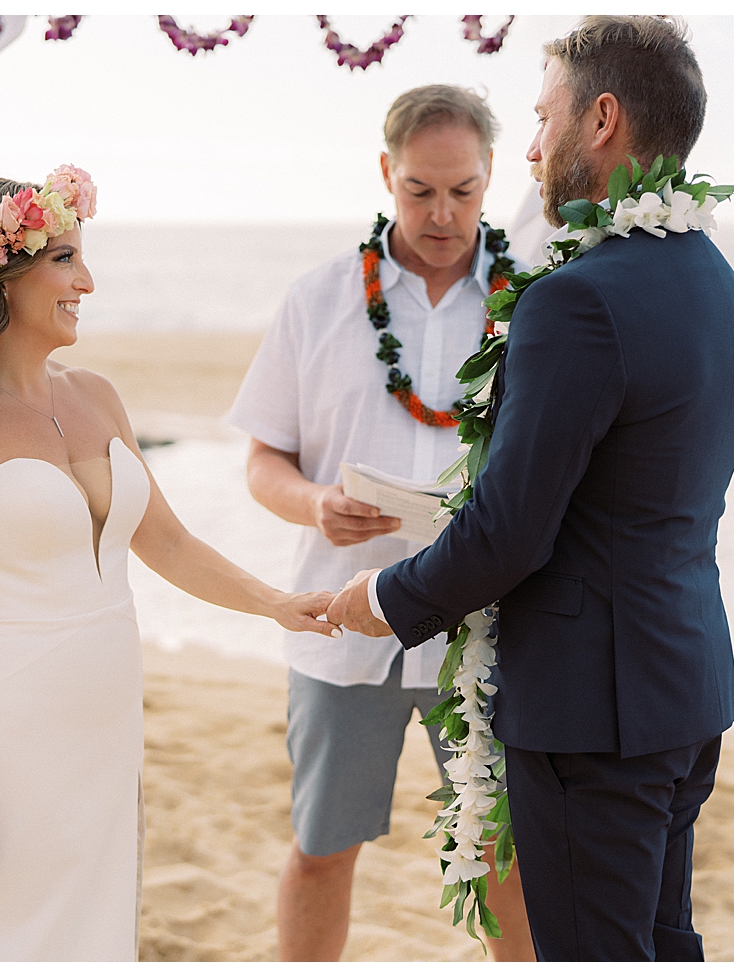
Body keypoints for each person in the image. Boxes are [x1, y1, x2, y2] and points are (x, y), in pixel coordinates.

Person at [327, 17, 734, 962]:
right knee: (658, 944)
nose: (529, 148)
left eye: (541, 117)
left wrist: (382, 597)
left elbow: (510, 531)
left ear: (601, 119)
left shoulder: (579, 298)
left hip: (591, 710)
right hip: (683, 688)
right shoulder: (713, 280)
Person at [0, 169, 336, 962]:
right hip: (5, 727)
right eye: (63, 259)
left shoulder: (97, 395)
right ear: (2, 277)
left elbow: (170, 544)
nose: (86, 281)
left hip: (105, 722)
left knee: (91, 932)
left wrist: (276, 603)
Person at [227, 86, 533, 961]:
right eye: (419, 190)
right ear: (385, 173)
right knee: (322, 850)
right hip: (338, 626)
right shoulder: (319, 297)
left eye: (464, 191)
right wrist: (317, 504)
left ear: (489, 179)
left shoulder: (530, 303)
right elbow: (261, 462)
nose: (443, 214)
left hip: (481, 630)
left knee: (500, 856)